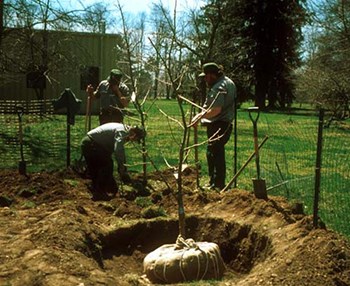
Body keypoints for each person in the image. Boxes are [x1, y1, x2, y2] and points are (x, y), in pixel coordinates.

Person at [191, 62, 236, 190]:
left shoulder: (219, 87)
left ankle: (217, 184)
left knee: (215, 153)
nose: (205, 79)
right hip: (224, 123)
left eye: (206, 76)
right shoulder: (228, 82)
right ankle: (214, 182)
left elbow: (216, 110)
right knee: (214, 152)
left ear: (212, 75)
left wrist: (198, 117)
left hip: (219, 124)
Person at [86, 69, 131, 181]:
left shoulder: (124, 88)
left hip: (116, 116)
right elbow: (94, 97)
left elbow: (125, 104)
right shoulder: (103, 85)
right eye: (110, 82)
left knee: (117, 142)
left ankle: (122, 170)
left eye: (113, 83)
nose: (111, 85)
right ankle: (104, 169)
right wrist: (90, 93)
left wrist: (118, 92)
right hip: (104, 116)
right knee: (104, 142)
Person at [81, 123, 145, 200]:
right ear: (134, 134)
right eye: (136, 139)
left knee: (98, 168)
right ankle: (99, 193)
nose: (133, 141)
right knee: (107, 166)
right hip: (92, 144)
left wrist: (122, 165)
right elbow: (118, 150)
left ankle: (101, 189)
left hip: (89, 143)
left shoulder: (123, 128)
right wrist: (121, 166)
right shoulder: (122, 132)